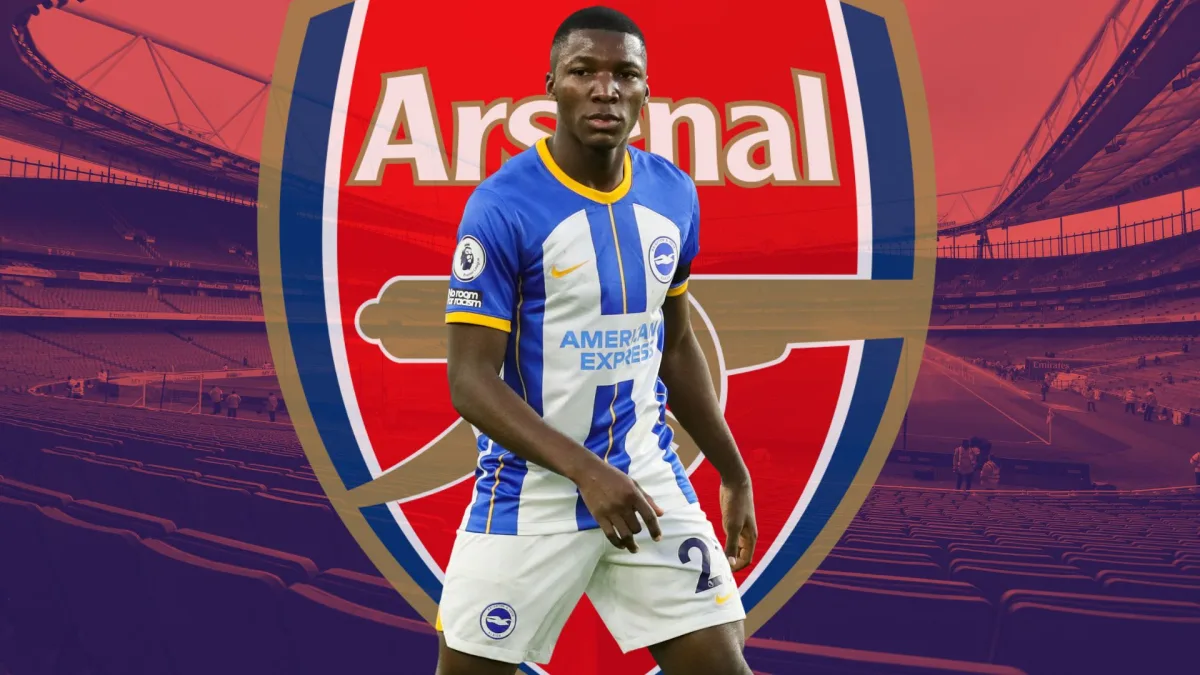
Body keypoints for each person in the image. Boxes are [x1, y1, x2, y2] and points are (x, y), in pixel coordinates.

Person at [434, 8, 755, 675]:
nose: (605, 88)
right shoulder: (500, 207)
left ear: (645, 91)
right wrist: (584, 470)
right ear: (551, 83)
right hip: (531, 494)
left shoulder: (674, 194)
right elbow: (469, 381)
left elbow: (676, 343)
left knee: (723, 665)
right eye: (584, 70)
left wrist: (732, 468)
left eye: (624, 74)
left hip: (645, 481)